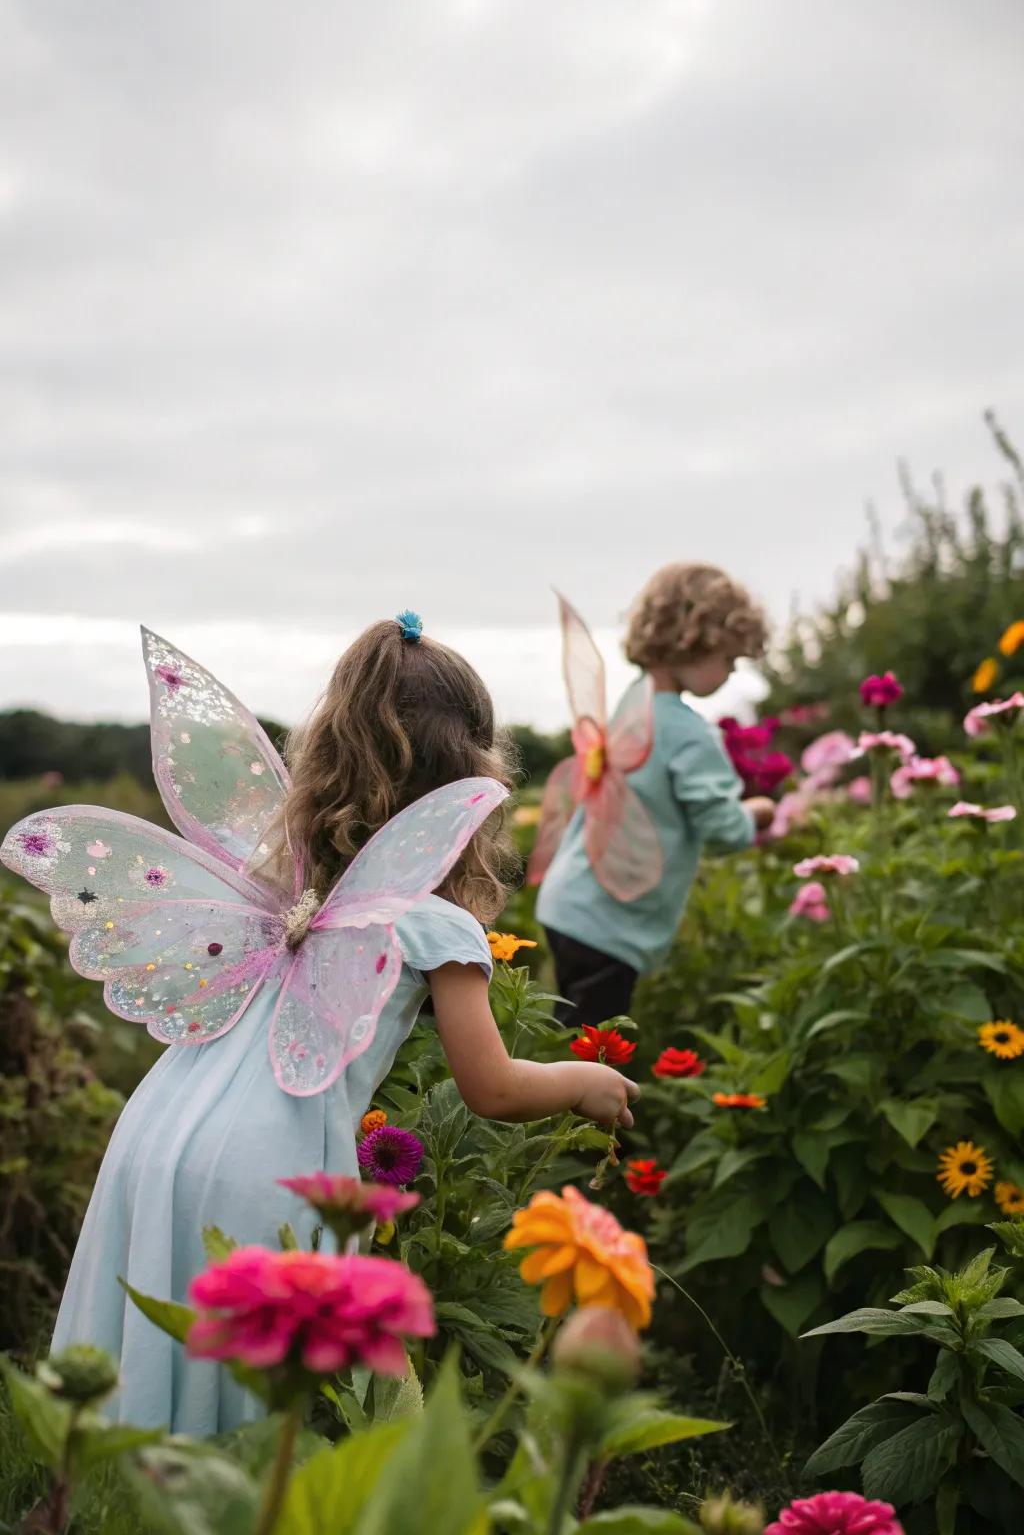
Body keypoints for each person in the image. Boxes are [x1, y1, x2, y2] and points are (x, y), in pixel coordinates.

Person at [2, 615, 636, 1435]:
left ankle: (104, 1502)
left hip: (155, 1133)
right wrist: (586, 1082)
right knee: (252, 1414)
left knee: (149, 1366)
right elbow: (493, 1088)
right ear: (467, 785)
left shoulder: (278, 886)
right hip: (274, 1158)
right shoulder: (433, 922)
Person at [534, 565, 775, 1026]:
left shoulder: (631, 705)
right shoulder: (687, 732)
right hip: (608, 924)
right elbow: (723, 830)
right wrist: (757, 813)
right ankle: (554, 1099)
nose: (731, 671)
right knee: (596, 1055)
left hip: (570, 900)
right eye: (730, 658)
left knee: (571, 1034)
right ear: (697, 641)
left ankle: (547, 1093)